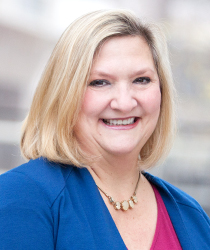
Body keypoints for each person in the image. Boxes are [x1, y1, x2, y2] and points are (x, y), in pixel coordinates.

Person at [0, 9, 209, 250]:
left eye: (141, 80)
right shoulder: (20, 197)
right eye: (99, 82)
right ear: (63, 94)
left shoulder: (192, 218)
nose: (124, 103)